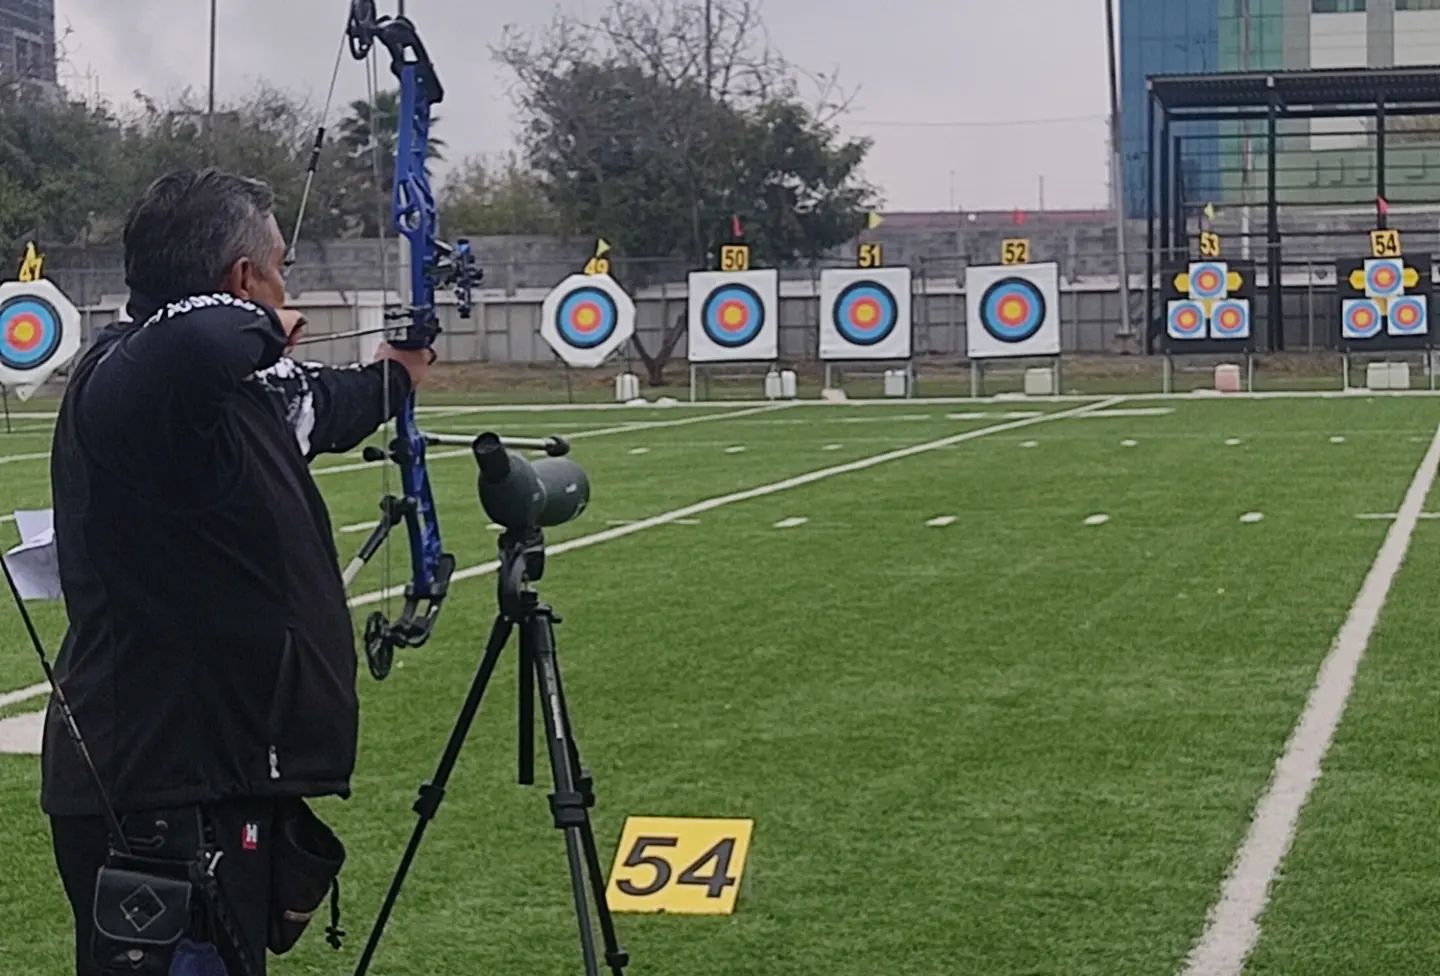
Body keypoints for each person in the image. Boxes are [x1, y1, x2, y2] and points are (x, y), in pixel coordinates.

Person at [40, 167, 432, 975]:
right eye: (277, 266)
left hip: (215, 777)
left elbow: (320, 405)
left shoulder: (225, 396)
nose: (288, 284)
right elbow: (202, 339)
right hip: (156, 788)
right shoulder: (133, 381)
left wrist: (396, 373)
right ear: (243, 278)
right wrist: (263, 321)